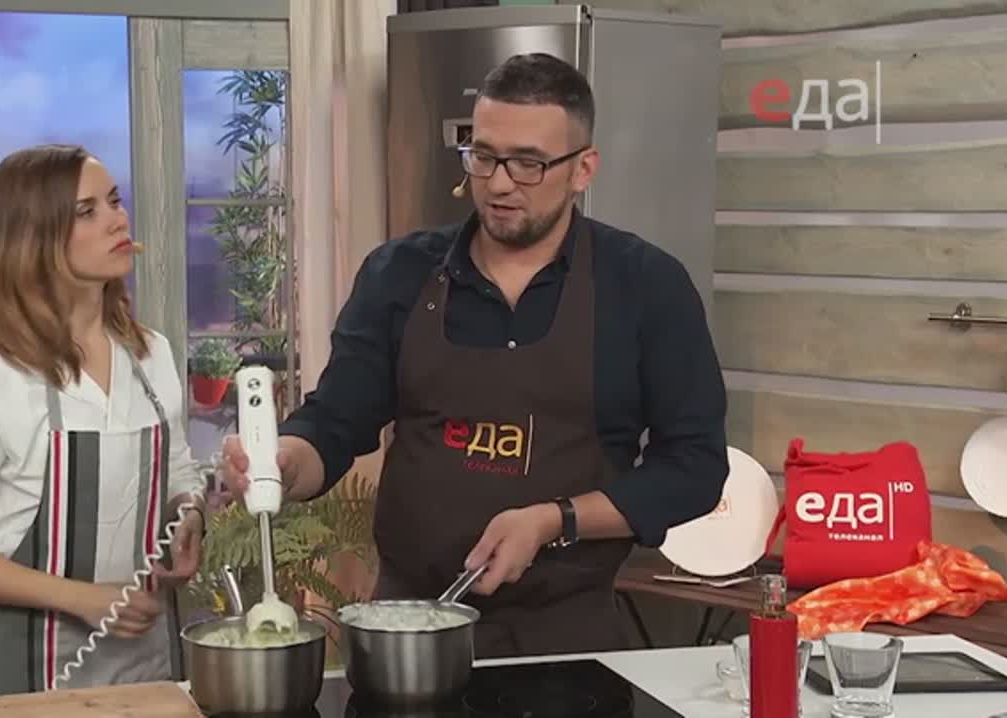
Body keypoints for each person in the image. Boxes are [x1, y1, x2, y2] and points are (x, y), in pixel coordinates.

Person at [219, 53, 728, 657]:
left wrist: (555, 519)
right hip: (407, 634)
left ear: (583, 169)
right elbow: (335, 421)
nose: (500, 183)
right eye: (483, 155)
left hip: (569, 639)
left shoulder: (646, 286)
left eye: (529, 163)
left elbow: (694, 468)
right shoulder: (399, 273)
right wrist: (283, 463)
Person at [0, 144, 206, 696]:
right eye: (86, 211)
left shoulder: (152, 357)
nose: (117, 220)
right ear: (36, 239)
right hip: (25, 678)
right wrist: (80, 598)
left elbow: (178, 468)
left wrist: (189, 514)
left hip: (149, 669)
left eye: (114, 201)